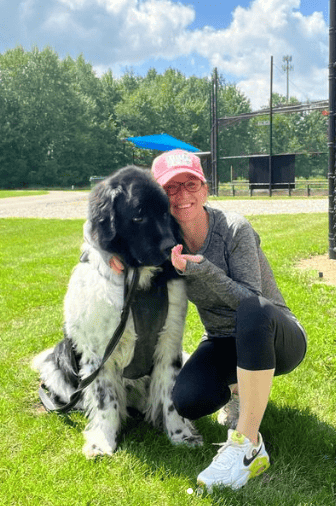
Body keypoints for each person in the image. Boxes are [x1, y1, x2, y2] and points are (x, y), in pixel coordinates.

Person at [110, 149, 307, 491]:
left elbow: (250, 298)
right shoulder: (164, 239)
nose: (182, 195)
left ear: (205, 188)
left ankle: (248, 445)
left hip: (276, 336)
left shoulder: (234, 228)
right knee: (186, 400)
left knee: (251, 310)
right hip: (221, 340)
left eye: (190, 184)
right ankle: (238, 391)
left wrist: (199, 269)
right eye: (170, 189)